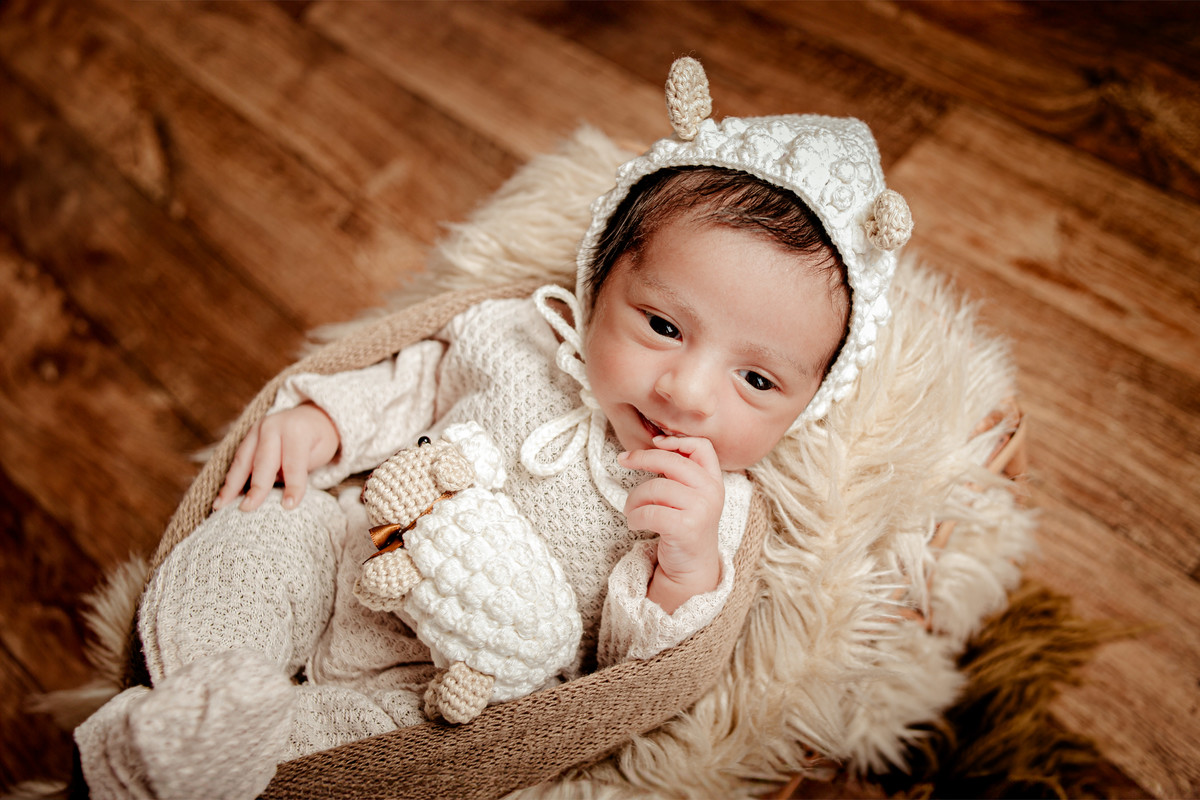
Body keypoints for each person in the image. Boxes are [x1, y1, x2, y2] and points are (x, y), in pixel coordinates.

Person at [74, 57, 913, 799]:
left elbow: (631, 668)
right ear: (595, 285)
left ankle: (224, 767)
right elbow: (415, 378)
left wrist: (683, 567)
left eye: (757, 379)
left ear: (809, 404)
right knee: (256, 537)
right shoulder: (517, 336)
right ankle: (194, 701)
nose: (687, 391)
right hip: (352, 548)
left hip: (451, 685)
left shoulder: (713, 508)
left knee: (372, 752)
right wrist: (325, 424)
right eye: (662, 325)